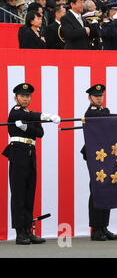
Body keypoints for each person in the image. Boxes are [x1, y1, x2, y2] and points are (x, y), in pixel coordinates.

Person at [2, 83, 60, 245]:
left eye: (28, 96)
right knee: (18, 194)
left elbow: (39, 133)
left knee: (29, 193)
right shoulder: (15, 111)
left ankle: (28, 229)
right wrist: (47, 117)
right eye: (22, 96)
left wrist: (26, 126)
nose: (26, 98)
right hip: (18, 152)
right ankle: (20, 232)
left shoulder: (29, 115)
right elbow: (24, 118)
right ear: (16, 98)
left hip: (30, 153)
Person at [81, 84, 117, 242]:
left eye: (101, 95)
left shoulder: (104, 111)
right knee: (97, 189)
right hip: (95, 154)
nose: (99, 98)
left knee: (106, 189)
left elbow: (110, 119)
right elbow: (107, 121)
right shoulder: (91, 112)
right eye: (96, 96)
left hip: (104, 154)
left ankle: (103, 226)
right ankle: (96, 229)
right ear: (90, 98)